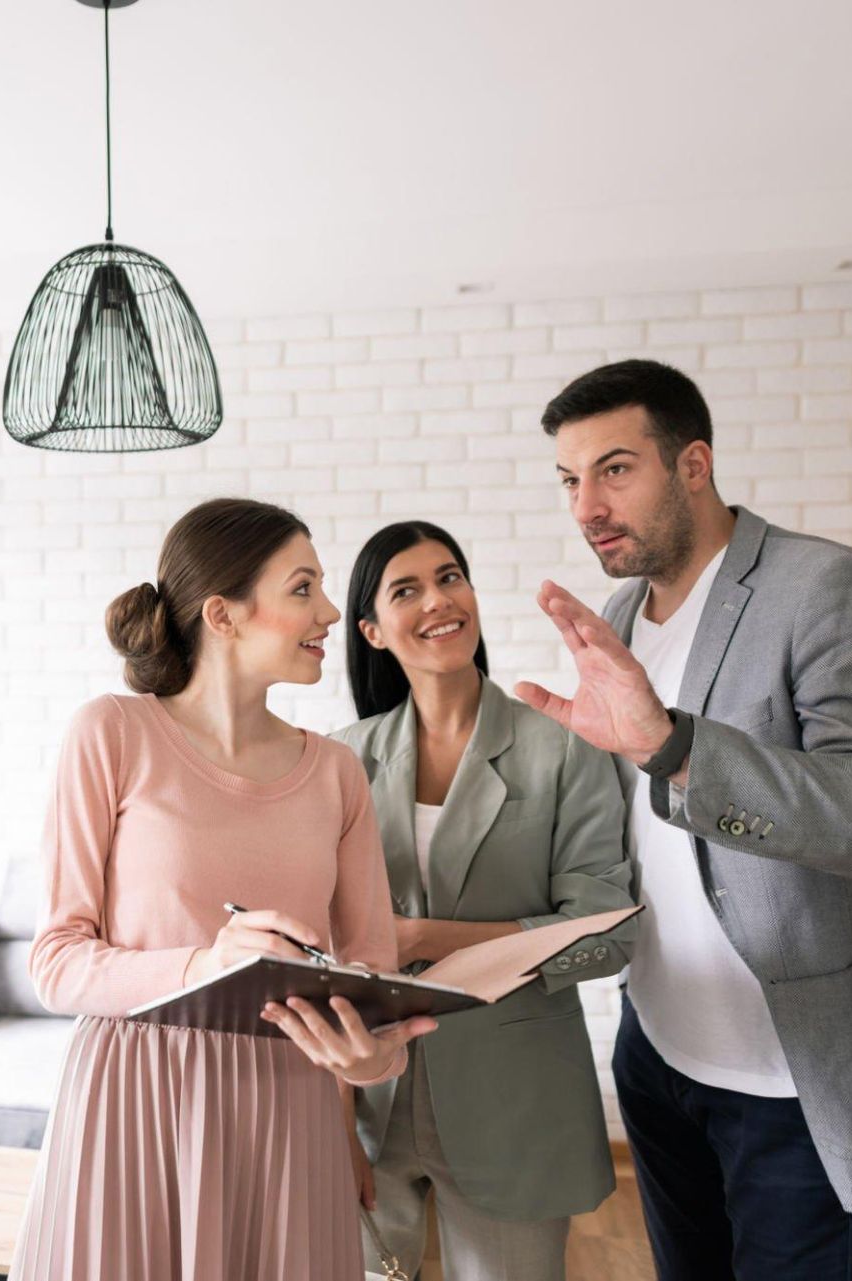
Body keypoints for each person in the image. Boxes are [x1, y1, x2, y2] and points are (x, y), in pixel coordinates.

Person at [514, 359, 852, 1280]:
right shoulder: (621, 613)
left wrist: (677, 748)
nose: (586, 504)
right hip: (663, 1053)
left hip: (805, 1082)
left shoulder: (829, 589)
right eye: (570, 479)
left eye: (615, 469)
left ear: (694, 464)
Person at [9, 497, 438, 1281]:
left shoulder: (338, 773)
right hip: (135, 1102)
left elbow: (372, 981)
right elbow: (57, 959)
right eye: (303, 587)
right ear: (224, 614)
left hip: (289, 1117)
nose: (330, 611)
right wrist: (204, 964)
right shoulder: (111, 733)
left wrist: (372, 1059)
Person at [330, 520, 636, 1281]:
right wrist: (335, 1127)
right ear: (371, 629)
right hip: (371, 1098)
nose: (439, 599)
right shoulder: (341, 759)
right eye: (407, 589)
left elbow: (606, 934)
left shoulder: (565, 746)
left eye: (450, 576)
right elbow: (326, 957)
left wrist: (424, 935)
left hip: (516, 1105)